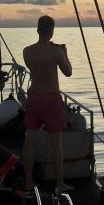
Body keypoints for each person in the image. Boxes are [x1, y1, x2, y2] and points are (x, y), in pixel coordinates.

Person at [22, 15, 73, 193]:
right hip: (51, 98)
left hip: (34, 96)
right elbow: (68, 72)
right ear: (51, 31)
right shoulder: (56, 52)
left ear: (38, 30)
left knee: (30, 141)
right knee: (56, 143)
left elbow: (35, 68)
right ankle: (59, 183)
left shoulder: (27, 51)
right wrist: (64, 53)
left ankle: (28, 181)